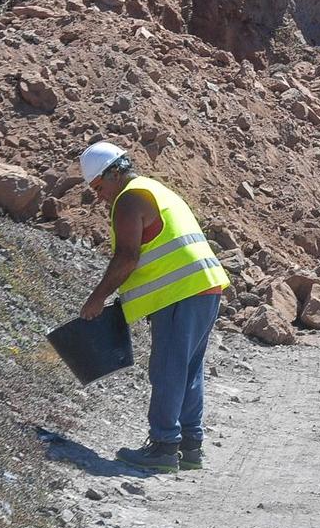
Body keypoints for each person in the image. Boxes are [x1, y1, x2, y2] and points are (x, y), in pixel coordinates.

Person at [78, 141, 231, 473]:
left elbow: (127, 257)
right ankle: (190, 446)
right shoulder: (155, 190)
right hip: (206, 286)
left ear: (114, 173)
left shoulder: (129, 199)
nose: (100, 196)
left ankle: (163, 446)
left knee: (167, 369)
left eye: (100, 187)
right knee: (187, 369)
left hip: (180, 292)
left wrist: (97, 298)